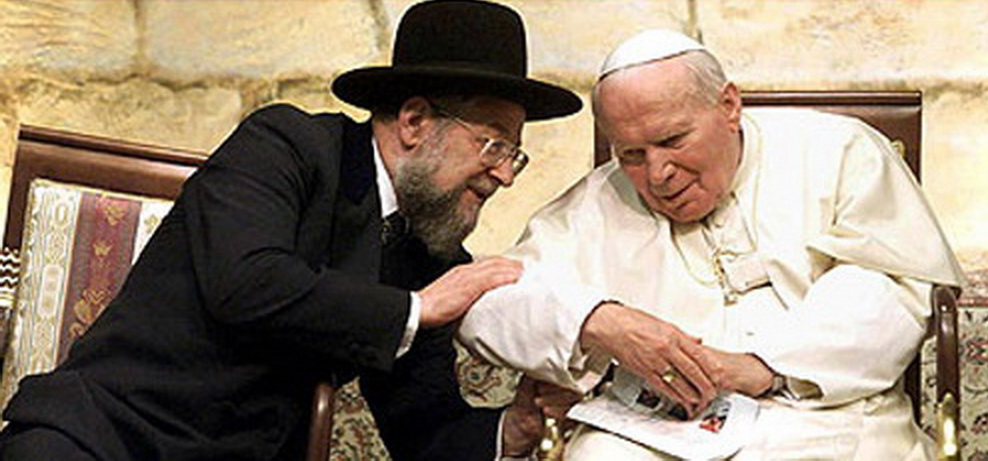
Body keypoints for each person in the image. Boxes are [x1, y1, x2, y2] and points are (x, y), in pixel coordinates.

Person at [0, 1, 582, 460]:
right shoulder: (286, 146)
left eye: (515, 154)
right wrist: (416, 308)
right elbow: (247, 282)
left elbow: (424, 428)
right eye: (494, 145)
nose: (506, 174)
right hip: (102, 439)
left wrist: (512, 428)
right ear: (414, 121)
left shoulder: (427, 251)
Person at [458, 28, 964, 460]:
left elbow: (891, 285)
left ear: (728, 106)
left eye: (672, 141)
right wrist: (599, 322)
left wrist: (764, 367)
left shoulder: (839, 152)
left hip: (824, 414)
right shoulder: (598, 200)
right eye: (631, 154)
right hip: (657, 430)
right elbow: (489, 302)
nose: (658, 174)